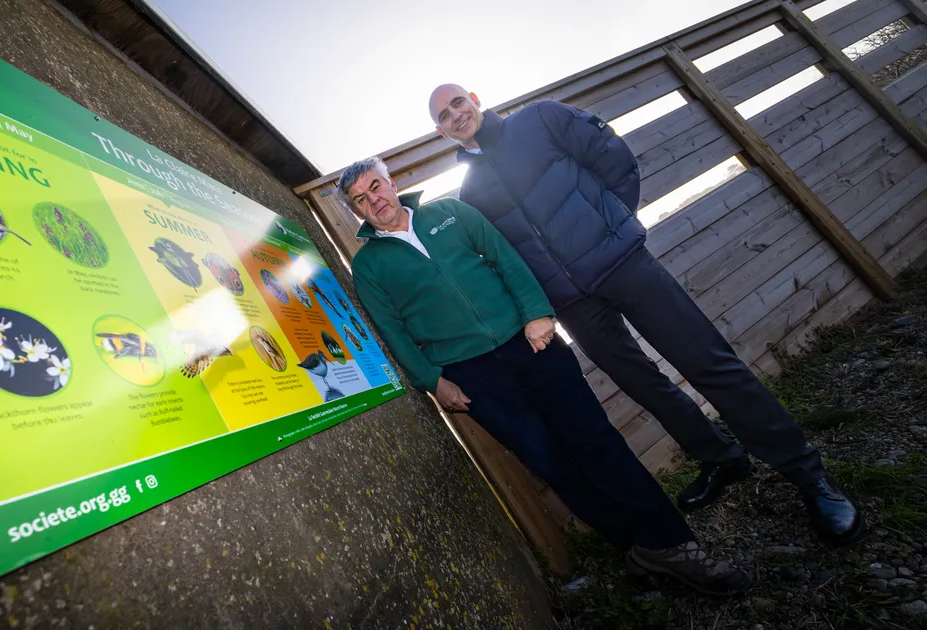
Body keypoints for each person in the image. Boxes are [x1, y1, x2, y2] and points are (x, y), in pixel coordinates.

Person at [426, 83, 864, 544]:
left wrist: (613, 225)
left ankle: (808, 476)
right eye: (443, 116)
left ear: (474, 98)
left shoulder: (541, 120)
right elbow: (504, 258)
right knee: (645, 385)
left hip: (625, 267)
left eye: (458, 103)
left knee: (706, 362)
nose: (455, 115)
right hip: (574, 304)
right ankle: (719, 457)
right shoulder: (470, 195)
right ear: (441, 133)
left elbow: (613, 157)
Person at [338, 156, 748, 595]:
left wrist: (537, 312)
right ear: (357, 211)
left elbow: (506, 258)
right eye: (361, 200)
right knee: (554, 465)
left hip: (531, 344)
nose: (374, 201)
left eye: (375, 187)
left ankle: (672, 543)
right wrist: (432, 381)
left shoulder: (450, 213)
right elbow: (393, 332)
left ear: (391, 182)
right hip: (473, 377)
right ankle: (634, 549)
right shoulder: (368, 267)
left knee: (598, 442)